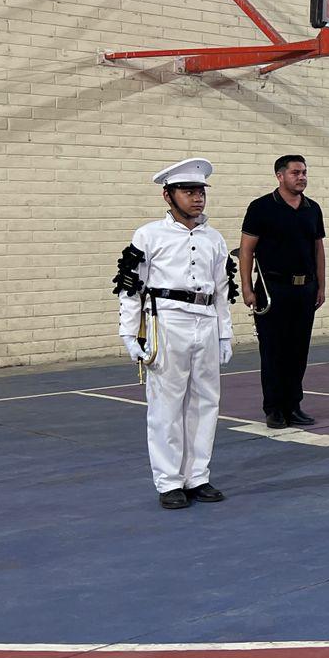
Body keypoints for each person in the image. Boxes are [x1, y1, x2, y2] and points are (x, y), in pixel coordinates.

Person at [115, 158, 235, 509]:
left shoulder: (214, 237)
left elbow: (223, 289)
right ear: (168, 196)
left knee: (205, 402)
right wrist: (129, 334)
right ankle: (169, 481)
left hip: (206, 320)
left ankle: (198, 476)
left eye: (200, 191)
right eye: (188, 191)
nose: (197, 198)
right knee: (166, 405)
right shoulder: (148, 235)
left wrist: (224, 333)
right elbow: (130, 286)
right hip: (167, 322)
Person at [239, 155, 324, 430]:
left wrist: (321, 285)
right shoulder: (261, 207)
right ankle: (274, 408)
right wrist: (247, 287)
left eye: (304, 173)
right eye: (296, 173)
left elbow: (318, 249)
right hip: (272, 288)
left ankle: (293, 405)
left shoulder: (313, 208)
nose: (301, 177)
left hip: (305, 289)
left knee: (298, 350)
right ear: (280, 176)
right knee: (273, 350)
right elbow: (246, 249)